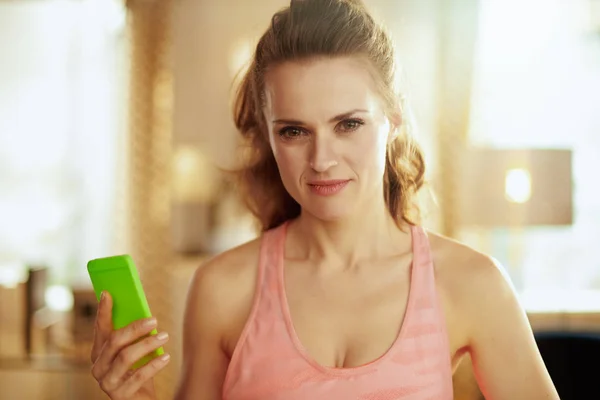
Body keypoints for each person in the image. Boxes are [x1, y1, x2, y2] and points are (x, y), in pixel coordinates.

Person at [90, 0, 560, 399]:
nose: (321, 160)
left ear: (393, 118)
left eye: (348, 124)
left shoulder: (472, 284)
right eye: (294, 131)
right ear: (269, 137)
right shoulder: (223, 289)